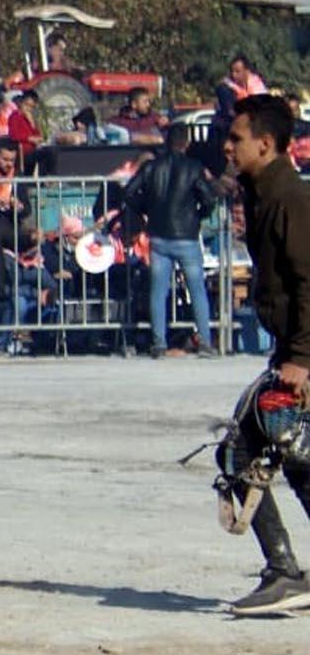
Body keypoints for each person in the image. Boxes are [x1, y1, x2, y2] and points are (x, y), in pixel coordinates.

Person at [217, 94, 310, 615]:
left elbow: (308, 281)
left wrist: (301, 358)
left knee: (246, 448)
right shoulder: (260, 192)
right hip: (290, 348)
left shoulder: (290, 199)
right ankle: (285, 572)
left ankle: (283, 571)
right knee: (285, 452)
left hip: (303, 352)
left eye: (236, 138)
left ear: (266, 144)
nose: (228, 147)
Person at [124, 136, 221, 357]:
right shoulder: (194, 167)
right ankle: (205, 341)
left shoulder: (151, 167)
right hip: (186, 235)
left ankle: (159, 343)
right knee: (196, 289)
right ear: (185, 144)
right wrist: (197, 216)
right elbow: (208, 198)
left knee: (158, 292)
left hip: (158, 235)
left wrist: (146, 209)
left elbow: (129, 192)